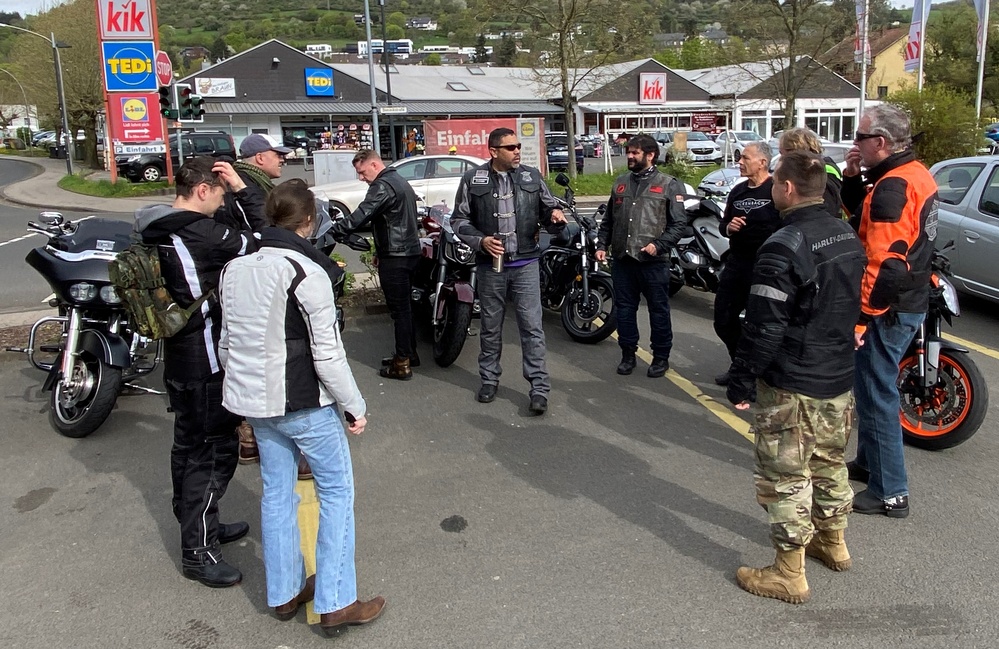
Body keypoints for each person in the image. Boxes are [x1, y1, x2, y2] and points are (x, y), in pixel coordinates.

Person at [218, 180, 385, 634]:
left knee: (277, 494)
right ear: (308, 222)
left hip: (255, 403)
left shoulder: (234, 269)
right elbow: (327, 353)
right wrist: (354, 406)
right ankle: (336, 600)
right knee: (336, 494)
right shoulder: (305, 272)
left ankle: (285, 592)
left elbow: (226, 343)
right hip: (304, 402)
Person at [727, 150, 867, 604]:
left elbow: (765, 324)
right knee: (829, 462)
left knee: (785, 475)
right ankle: (834, 543)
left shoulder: (784, 244)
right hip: (838, 376)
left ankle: (789, 572)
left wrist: (742, 377)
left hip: (793, 380)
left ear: (786, 188)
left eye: (775, 184)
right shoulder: (845, 233)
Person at [133, 156, 258, 588]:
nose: (223, 198)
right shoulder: (200, 232)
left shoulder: (157, 224)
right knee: (214, 449)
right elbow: (262, 239)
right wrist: (243, 189)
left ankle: (200, 522)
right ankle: (198, 551)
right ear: (203, 190)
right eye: (218, 192)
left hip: (178, 354)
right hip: (205, 357)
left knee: (187, 445)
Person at [841, 104, 939, 518]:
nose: (855, 145)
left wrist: (863, 316)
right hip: (907, 299)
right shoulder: (914, 173)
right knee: (869, 387)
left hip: (890, 306)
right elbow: (863, 217)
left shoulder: (894, 186)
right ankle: (869, 464)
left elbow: (887, 262)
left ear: (880, 142)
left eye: (860, 138)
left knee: (876, 392)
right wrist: (851, 177)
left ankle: (890, 492)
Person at [452, 127, 566, 414]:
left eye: (518, 146)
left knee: (532, 328)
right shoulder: (472, 179)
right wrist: (481, 241)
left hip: (526, 263)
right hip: (490, 267)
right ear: (493, 151)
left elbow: (548, 209)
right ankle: (489, 380)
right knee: (491, 327)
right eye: (510, 147)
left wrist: (554, 216)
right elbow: (459, 221)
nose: (517, 151)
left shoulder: (532, 176)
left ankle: (539, 389)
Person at [596, 133, 687, 378]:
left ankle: (660, 357)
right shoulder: (621, 182)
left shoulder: (669, 184)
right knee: (624, 309)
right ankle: (627, 354)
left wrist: (659, 245)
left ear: (650, 155)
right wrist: (601, 244)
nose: (630, 156)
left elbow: (679, 225)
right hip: (623, 260)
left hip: (653, 262)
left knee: (658, 310)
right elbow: (608, 221)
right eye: (629, 152)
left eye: (635, 152)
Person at [331, 149, 422, 380]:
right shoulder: (399, 180)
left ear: (373, 165)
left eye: (362, 172)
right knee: (406, 308)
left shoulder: (382, 186)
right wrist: (379, 250)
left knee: (399, 311)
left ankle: (401, 364)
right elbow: (393, 220)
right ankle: (409, 353)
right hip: (409, 253)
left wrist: (335, 230)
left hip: (396, 256)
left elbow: (362, 214)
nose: (361, 178)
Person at [712, 141, 781, 386]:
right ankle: (739, 365)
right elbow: (724, 223)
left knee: (759, 326)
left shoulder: (776, 189)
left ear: (763, 162)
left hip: (766, 268)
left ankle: (755, 376)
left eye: (745, 158)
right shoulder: (738, 191)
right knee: (723, 319)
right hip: (737, 263)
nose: (739, 162)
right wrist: (729, 228)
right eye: (740, 158)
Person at [215, 133, 292, 233]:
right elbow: (262, 227)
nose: (282, 159)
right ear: (260, 158)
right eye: (278, 155)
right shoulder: (242, 185)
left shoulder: (249, 180)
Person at [778, 127, 848, 220]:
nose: (781, 158)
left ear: (794, 152)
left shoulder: (821, 171)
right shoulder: (812, 169)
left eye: (782, 153)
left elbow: (828, 209)